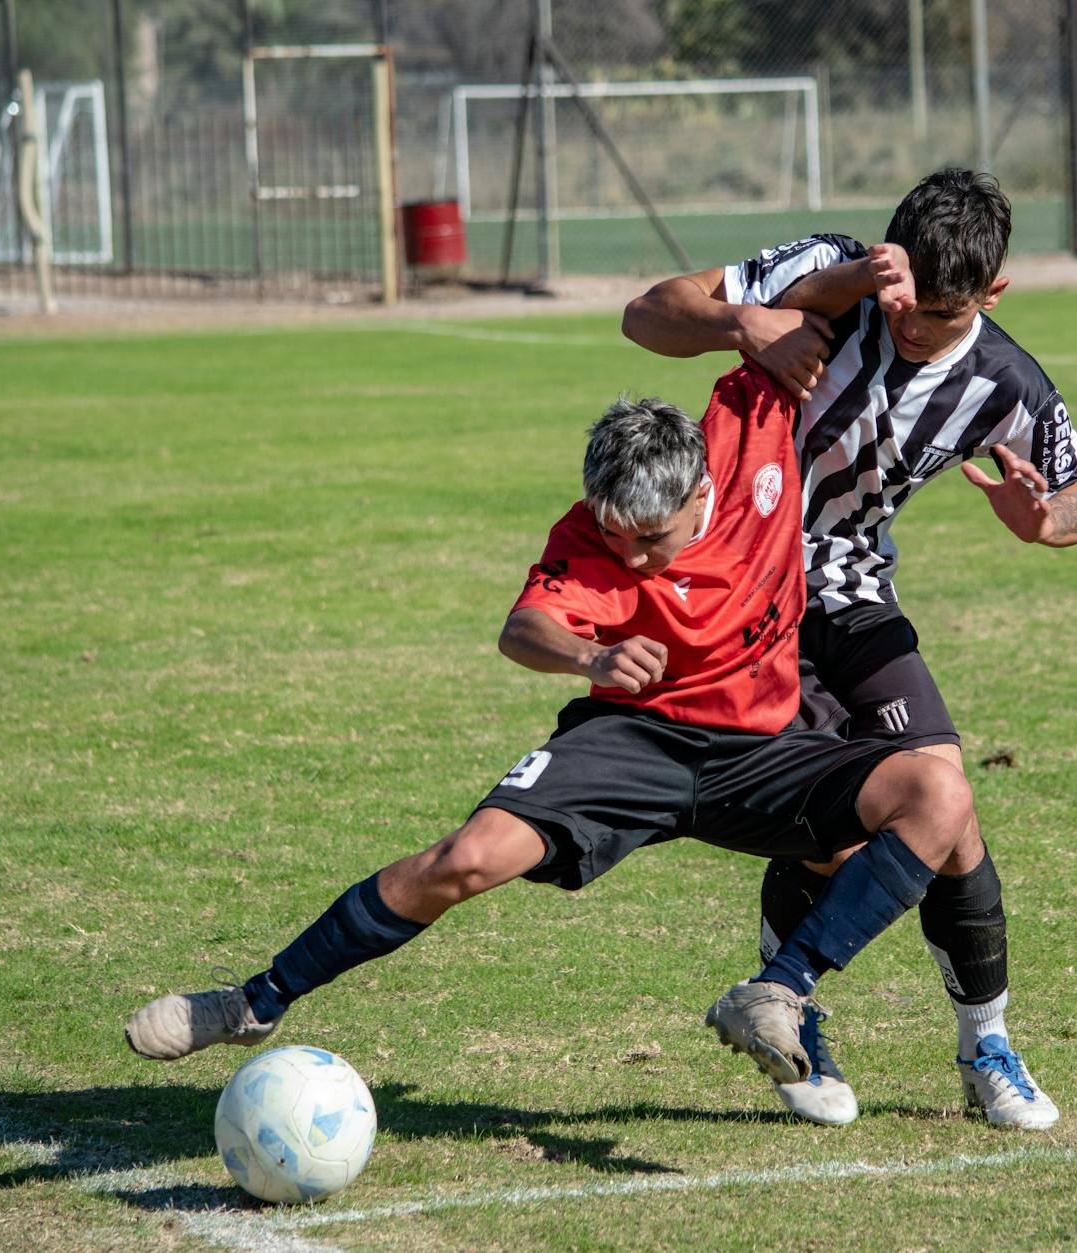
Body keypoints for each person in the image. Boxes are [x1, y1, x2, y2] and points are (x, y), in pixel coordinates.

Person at [124, 367, 985, 1112]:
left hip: (766, 748)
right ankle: (254, 1000)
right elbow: (523, 627)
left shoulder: (753, 417)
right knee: (463, 858)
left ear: (699, 494)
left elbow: (802, 299)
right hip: (633, 739)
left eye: (653, 540)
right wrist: (592, 653)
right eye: (617, 536)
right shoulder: (590, 540)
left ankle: (779, 993)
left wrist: (757, 314)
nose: (636, 559)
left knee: (939, 795)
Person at [621, 169, 1077, 1131]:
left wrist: (1044, 519)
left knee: (948, 803)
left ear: (992, 296)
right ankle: (798, 1021)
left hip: (852, 593)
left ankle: (984, 1047)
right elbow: (646, 314)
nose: (911, 324)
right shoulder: (828, 276)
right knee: (836, 829)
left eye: (939, 312)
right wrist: (742, 323)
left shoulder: (1006, 381)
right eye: (901, 298)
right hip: (744, 593)